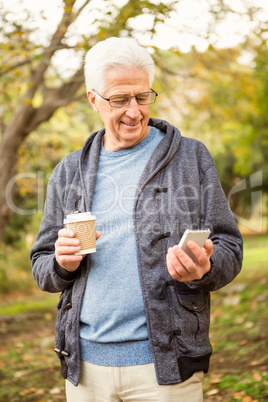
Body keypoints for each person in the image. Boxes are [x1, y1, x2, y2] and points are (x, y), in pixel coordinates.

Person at [30, 37, 243, 401]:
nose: (134, 111)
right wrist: (62, 265)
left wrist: (205, 268)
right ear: (93, 99)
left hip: (167, 365)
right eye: (119, 99)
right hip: (86, 371)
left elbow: (230, 246)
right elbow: (41, 263)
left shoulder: (190, 157)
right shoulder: (68, 171)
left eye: (142, 97)